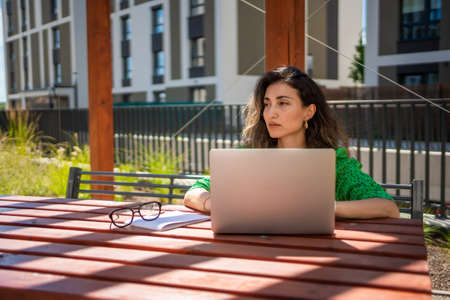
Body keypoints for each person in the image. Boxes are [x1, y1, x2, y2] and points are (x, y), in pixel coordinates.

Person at [184, 66, 399, 219]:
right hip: (252, 251)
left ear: (309, 111)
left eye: (283, 103)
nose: (271, 113)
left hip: (315, 258)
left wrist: (321, 208)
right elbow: (194, 192)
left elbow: (387, 208)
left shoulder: (334, 164)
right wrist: (214, 204)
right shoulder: (248, 156)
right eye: (267, 104)